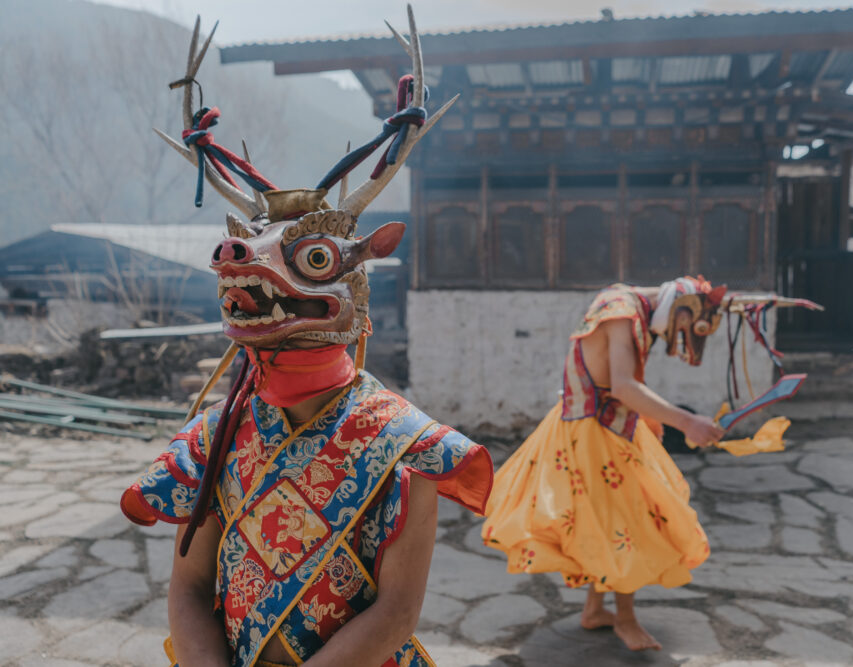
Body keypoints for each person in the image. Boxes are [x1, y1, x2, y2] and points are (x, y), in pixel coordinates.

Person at [120, 9, 493, 667]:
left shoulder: (408, 446)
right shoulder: (215, 438)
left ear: (352, 283)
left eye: (314, 260)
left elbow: (397, 612)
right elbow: (190, 585)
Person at [481, 277, 729, 652]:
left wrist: (649, 417)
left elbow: (614, 381)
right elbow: (624, 387)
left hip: (597, 423)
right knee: (624, 523)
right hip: (594, 430)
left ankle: (595, 610)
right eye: (683, 328)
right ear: (681, 308)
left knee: (604, 520)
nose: (677, 338)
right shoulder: (622, 314)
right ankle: (625, 620)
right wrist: (687, 421)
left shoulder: (621, 299)